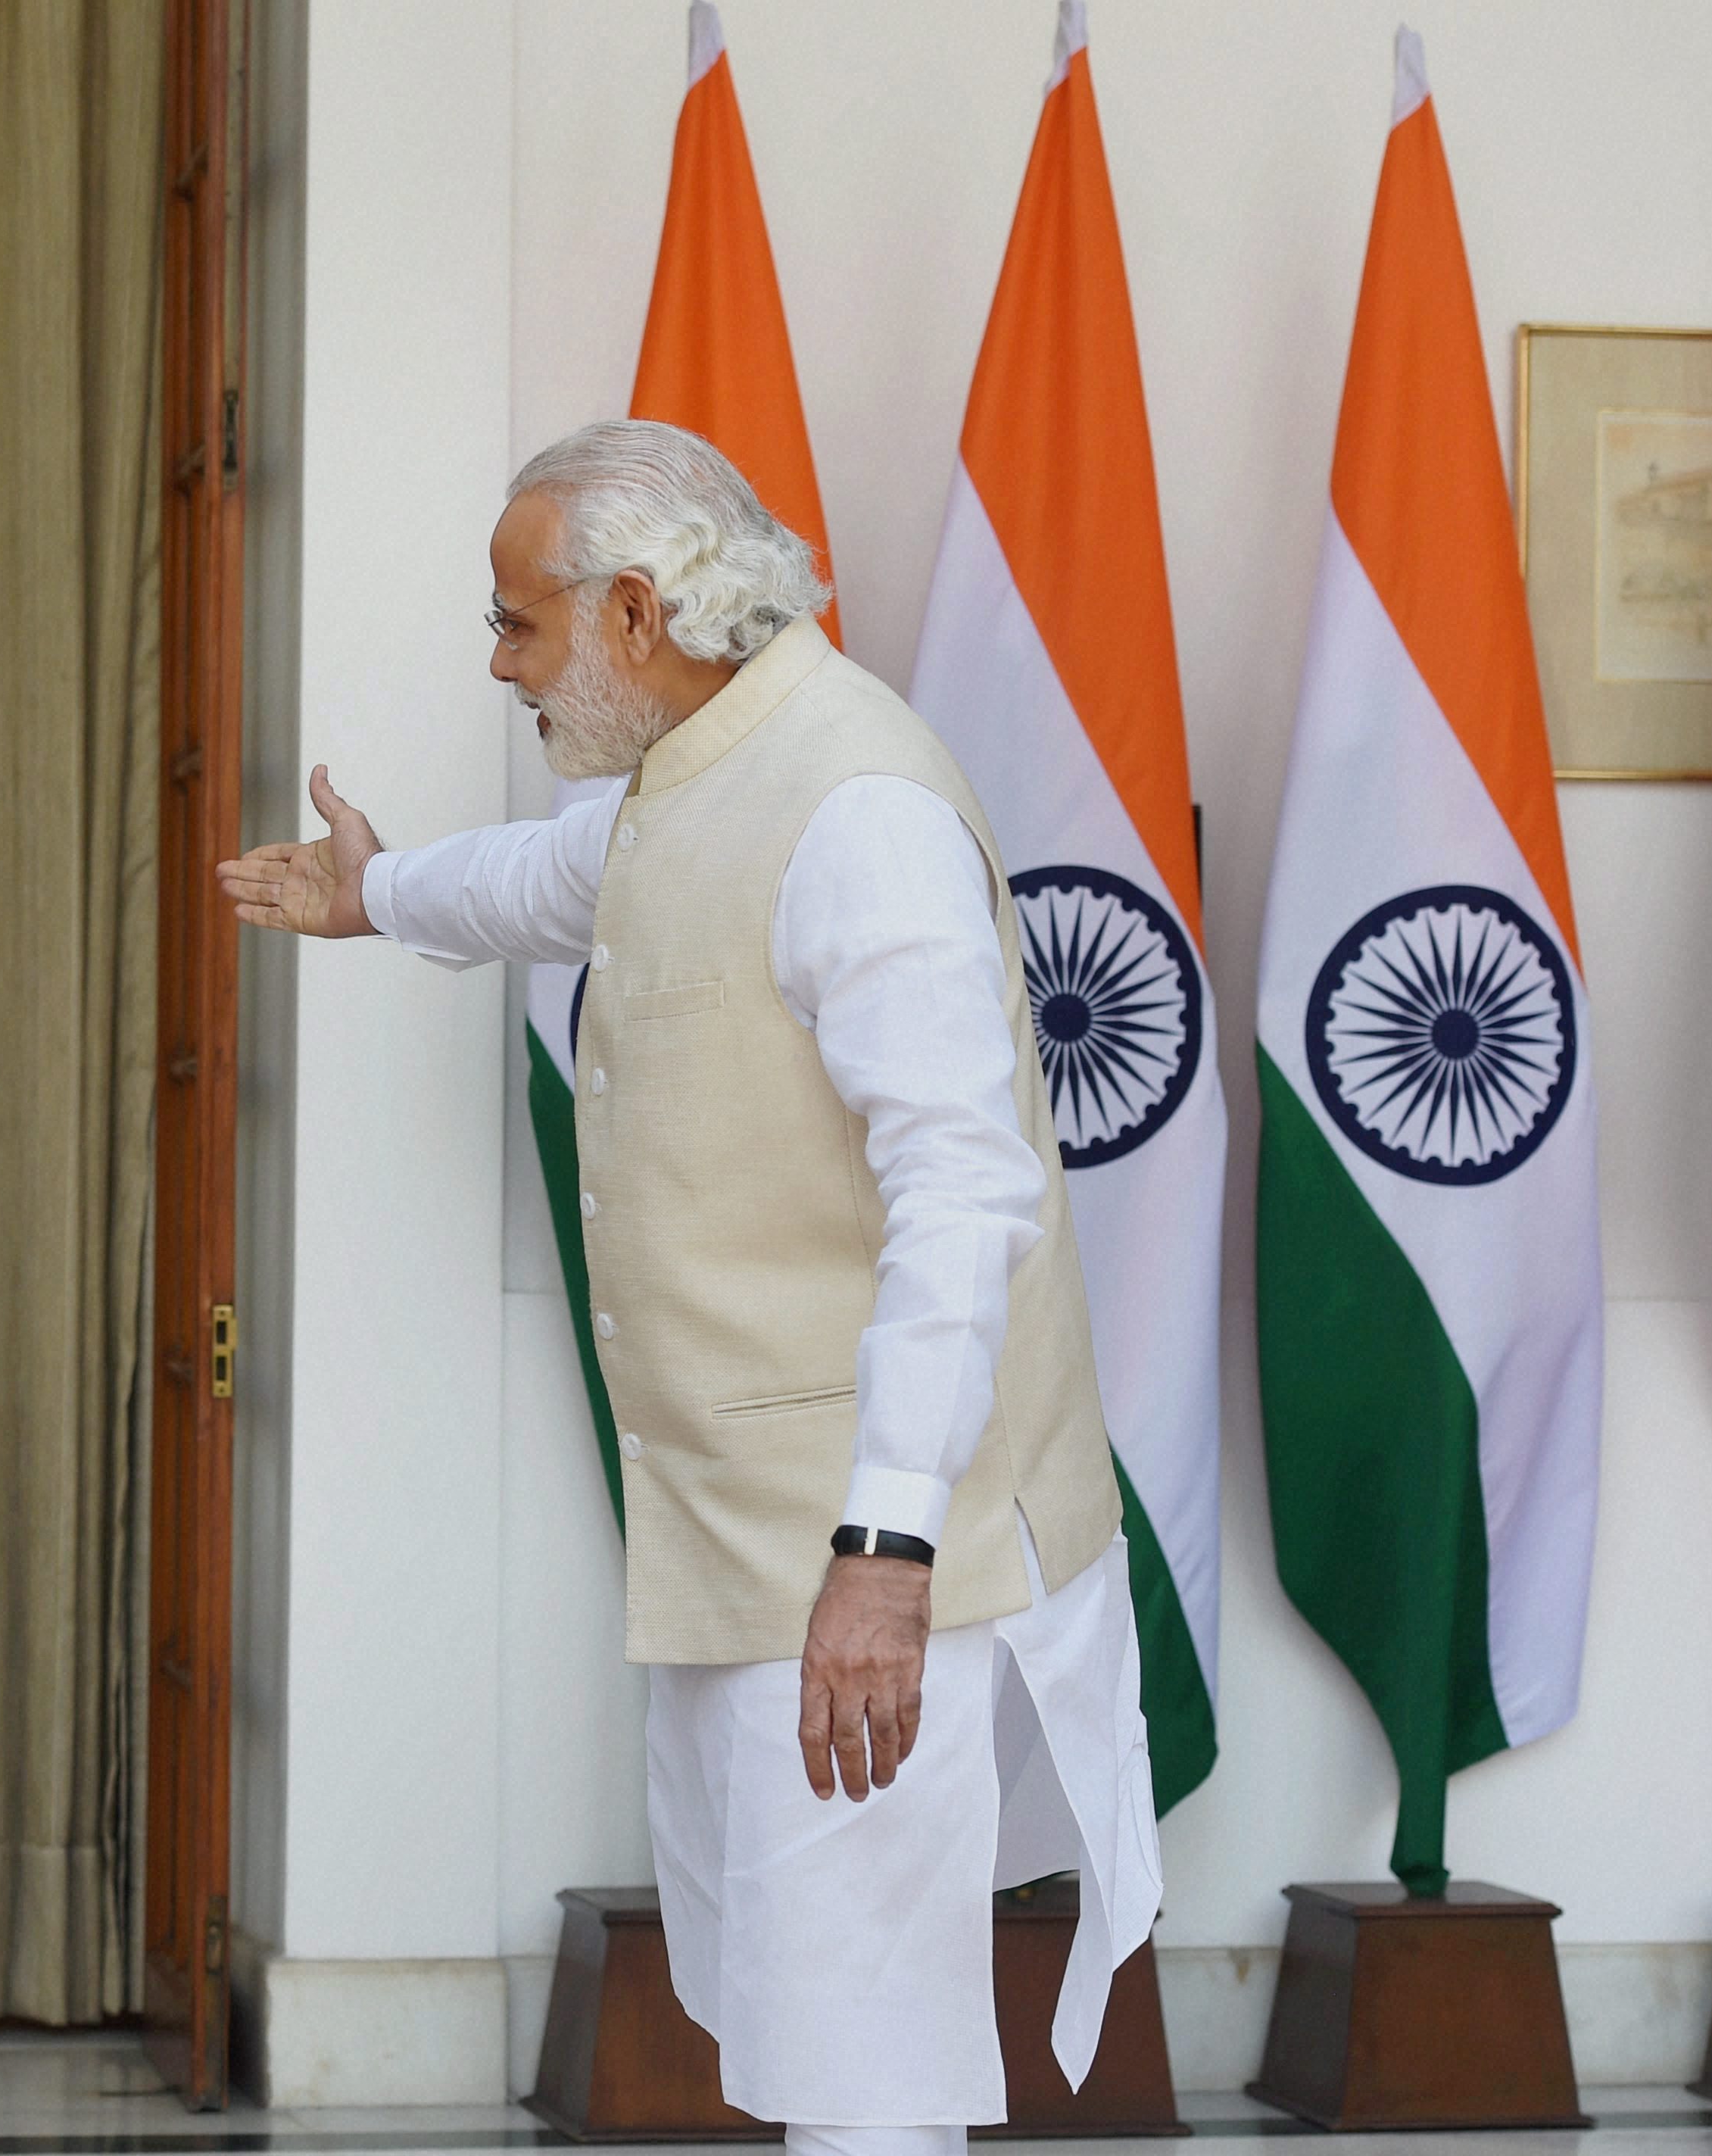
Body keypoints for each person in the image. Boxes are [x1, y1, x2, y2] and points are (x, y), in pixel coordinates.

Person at [219, 420, 1157, 2155]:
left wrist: (882, 1553)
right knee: (806, 2035)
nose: (497, 661)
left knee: (863, 2066)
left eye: (515, 623)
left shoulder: (852, 805)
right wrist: (378, 893)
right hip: (756, 1548)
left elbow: (962, 1192)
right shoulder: (704, 772)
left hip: (871, 1570)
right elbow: (567, 883)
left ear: (635, 611)